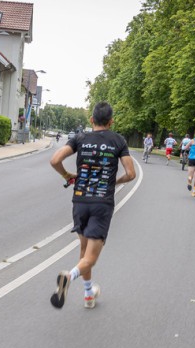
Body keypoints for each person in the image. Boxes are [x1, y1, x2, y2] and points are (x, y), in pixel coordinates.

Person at [49, 102, 136, 309]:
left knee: (84, 252)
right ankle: (68, 277)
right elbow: (131, 174)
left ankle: (88, 294)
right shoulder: (118, 140)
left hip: (80, 201)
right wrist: (115, 181)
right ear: (111, 121)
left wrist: (67, 175)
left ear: (91, 120)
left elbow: (54, 160)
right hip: (101, 203)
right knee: (91, 258)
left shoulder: (80, 138)